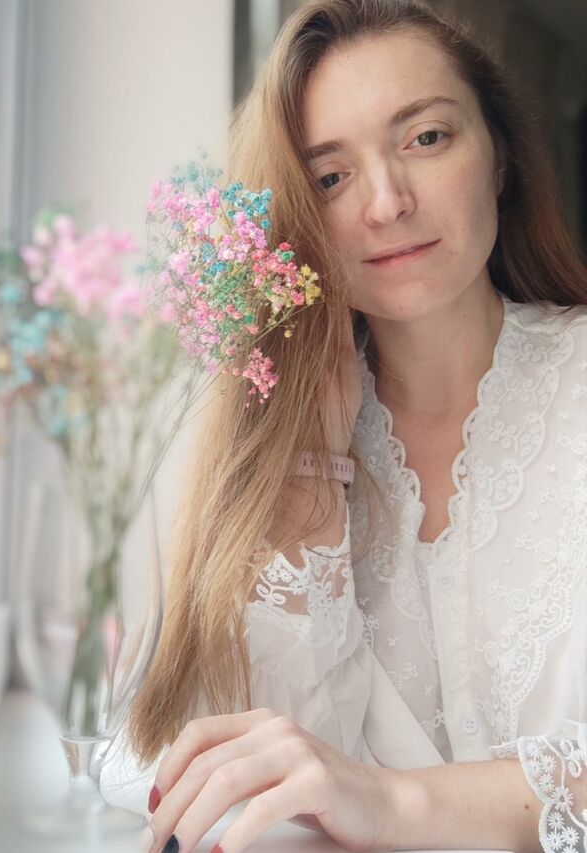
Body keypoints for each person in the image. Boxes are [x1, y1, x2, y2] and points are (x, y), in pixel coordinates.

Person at [125, 1, 587, 851]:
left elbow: (352, 794)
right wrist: (309, 460)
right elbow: (247, 783)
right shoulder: (273, 448)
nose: (386, 202)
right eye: (330, 178)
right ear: (295, 220)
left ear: (500, 159)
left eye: (427, 138)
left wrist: (396, 802)